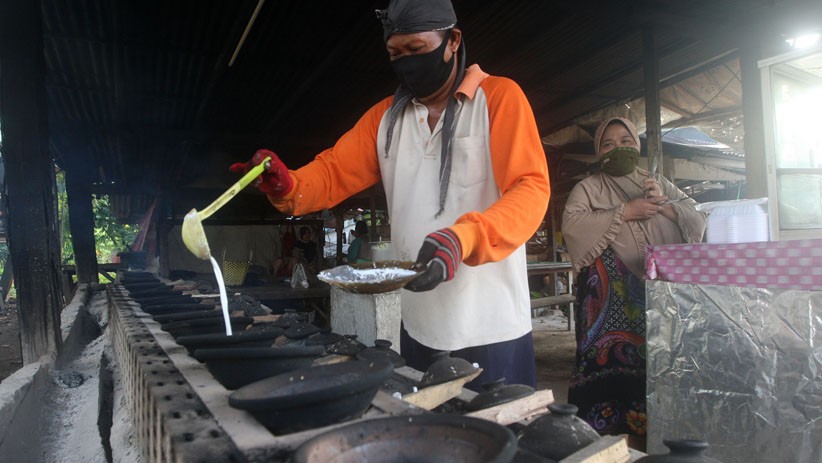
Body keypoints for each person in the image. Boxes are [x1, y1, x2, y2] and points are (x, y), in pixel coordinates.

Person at [229, 0, 550, 389]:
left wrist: (465, 237)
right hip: (417, 324)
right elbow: (332, 172)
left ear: (452, 41)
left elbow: (530, 189)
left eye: (416, 49)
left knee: (497, 426)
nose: (407, 63)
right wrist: (288, 185)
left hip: (492, 326)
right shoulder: (385, 119)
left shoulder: (498, 98)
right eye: (396, 54)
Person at [561, 117, 707, 448]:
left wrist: (666, 207)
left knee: (660, 363)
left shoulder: (657, 182)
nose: (618, 148)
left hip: (661, 292)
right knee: (614, 372)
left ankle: (661, 437)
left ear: (636, 144)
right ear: (598, 152)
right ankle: (605, 437)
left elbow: (697, 217)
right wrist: (624, 211)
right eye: (608, 144)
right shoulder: (588, 188)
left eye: (625, 141)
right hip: (613, 299)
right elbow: (572, 226)